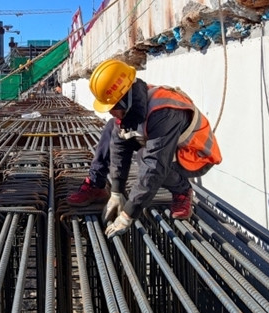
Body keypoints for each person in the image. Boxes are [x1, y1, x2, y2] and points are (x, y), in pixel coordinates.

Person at [68, 58, 222, 238]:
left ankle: (182, 190)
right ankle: (96, 184)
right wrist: (117, 191)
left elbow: (155, 165)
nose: (110, 111)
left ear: (125, 99)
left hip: (194, 155)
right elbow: (119, 146)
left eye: (113, 107)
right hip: (170, 148)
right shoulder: (134, 103)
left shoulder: (164, 112)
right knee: (113, 128)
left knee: (146, 160)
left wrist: (128, 213)